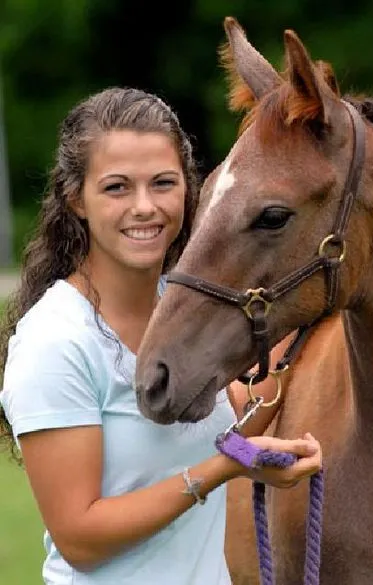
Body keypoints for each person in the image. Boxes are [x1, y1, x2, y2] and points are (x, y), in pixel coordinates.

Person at [0, 87, 322, 585]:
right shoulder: (56, 341)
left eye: (163, 183)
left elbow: (228, 428)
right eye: (117, 188)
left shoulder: (183, 312)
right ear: (75, 199)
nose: (145, 206)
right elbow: (80, 539)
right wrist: (225, 468)